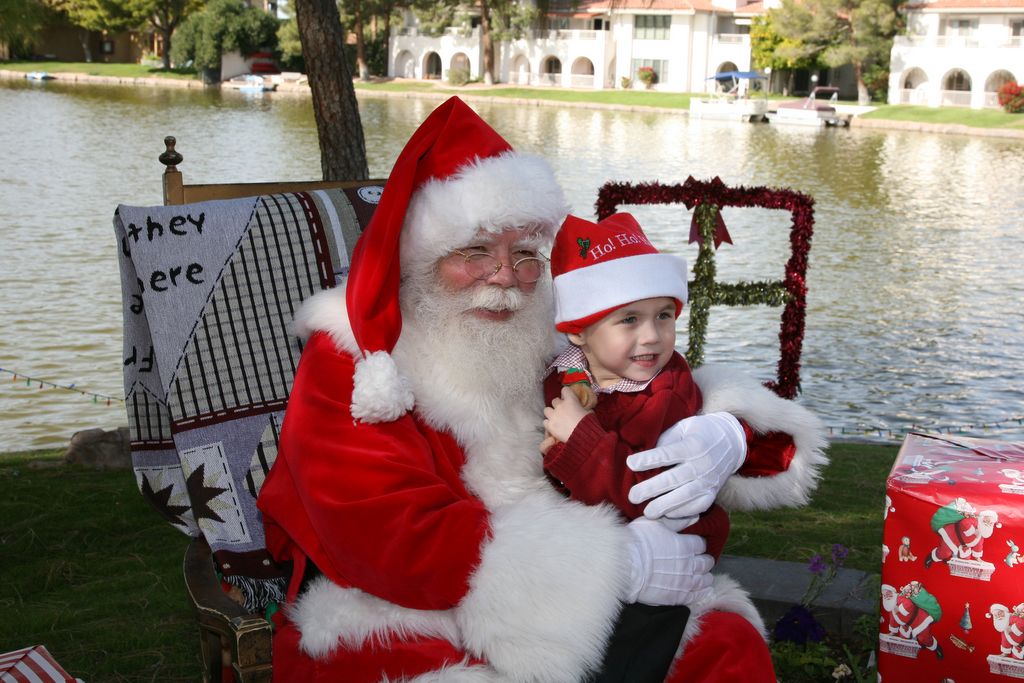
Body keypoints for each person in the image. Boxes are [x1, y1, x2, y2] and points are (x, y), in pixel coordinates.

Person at [257, 96, 828, 682]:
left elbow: (655, 394)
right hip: (405, 609)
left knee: (723, 644)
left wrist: (727, 431)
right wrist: (613, 565)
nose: (505, 277)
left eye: (525, 255)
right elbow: (385, 533)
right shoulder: (355, 356)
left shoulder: (549, 331)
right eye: (475, 252)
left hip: (565, 582)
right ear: (420, 259)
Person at [540, 212, 737, 681]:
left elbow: (650, 492)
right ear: (577, 331)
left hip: (667, 558)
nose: (652, 336)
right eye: (629, 319)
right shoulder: (562, 374)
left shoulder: (665, 394)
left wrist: (579, 437)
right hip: (584, 555)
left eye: (664, 316)